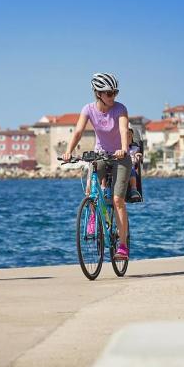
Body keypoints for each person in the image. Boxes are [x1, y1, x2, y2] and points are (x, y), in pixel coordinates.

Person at [62, 73, 132, 260]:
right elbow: (78, 131)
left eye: (115, 92)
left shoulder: (120, 109)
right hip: (100, 153)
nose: (113, 96)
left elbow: (124, 129)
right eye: (109, 93)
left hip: (120, 156)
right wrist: (68, 151)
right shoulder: (88, 109)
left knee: (117, 200)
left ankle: (123, 246)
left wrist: (124, 149)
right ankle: (93, 215)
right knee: (90, 191)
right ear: (98, 93)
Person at [127, 127, 143, 202]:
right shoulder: (117, 147)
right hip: (118, 167)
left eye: (130, 136)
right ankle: (104, 188)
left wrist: (138, 156)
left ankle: (134, 189)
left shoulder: (134, 148)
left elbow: (138, 154)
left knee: (131, 170)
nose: (128, 138)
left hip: (130, 168)